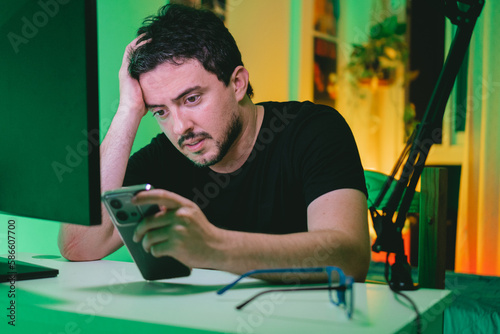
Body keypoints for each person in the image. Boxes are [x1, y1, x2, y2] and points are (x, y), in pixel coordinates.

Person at [58, 4, 370, 282]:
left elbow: (349, 257)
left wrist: (215, 247)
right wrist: (127, 111)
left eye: (191, 98)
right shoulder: (167, 155)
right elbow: (78, 244)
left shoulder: (313, 130)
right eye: (160, 111)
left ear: (237, 83)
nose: (180, 128)